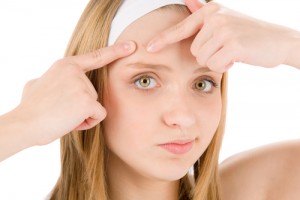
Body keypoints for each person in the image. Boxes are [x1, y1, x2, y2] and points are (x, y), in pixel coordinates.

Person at [0, 0, 299, 199]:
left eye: (202, 82)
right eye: (145, 80)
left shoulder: (252, 189)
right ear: (87, 87)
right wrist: (22, 123)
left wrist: (289, 44)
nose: (183, 117)